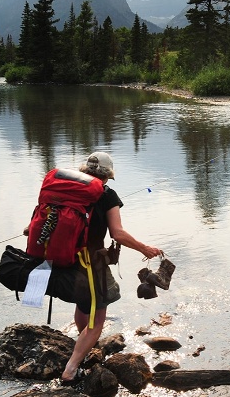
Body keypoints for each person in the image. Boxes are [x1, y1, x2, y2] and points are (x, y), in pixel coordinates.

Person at [59, 151, 161, 383]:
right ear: (107, 176)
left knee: (84, 305)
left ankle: (83, 345)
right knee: (97, 320)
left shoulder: (68, 189)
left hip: (66, 259)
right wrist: (144, 248)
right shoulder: (107, 195)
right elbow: (118, 233)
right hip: (91, 263)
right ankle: (70, 370)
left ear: (84, 170)